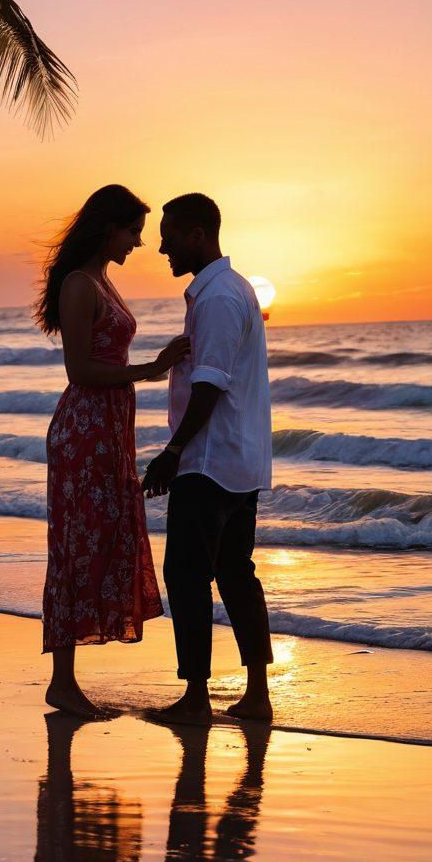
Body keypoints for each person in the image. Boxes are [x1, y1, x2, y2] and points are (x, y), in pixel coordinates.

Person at [34, 184, 190, 718]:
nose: (139, 243)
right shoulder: (80, 284)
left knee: (101, 539)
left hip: (110, 430)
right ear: (109, 228)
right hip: (84, 430)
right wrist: (151, 369)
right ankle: (62, 683)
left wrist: (152, 366)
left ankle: (68, 680)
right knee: (77, 544)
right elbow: (79, 370)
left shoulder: (104, 280)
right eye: (133, 232)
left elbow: (106, 356)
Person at [142, 193, 273, 725]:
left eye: (170, 237)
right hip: (241, 462)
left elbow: (211, 384)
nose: (162, 247)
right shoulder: (228, 290)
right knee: (237, 573)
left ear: (198, 234)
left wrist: (173, 451)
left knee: (187, 573)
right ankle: (257, 695)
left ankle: (196, 698)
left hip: (210, 461)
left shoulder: (218, 297)